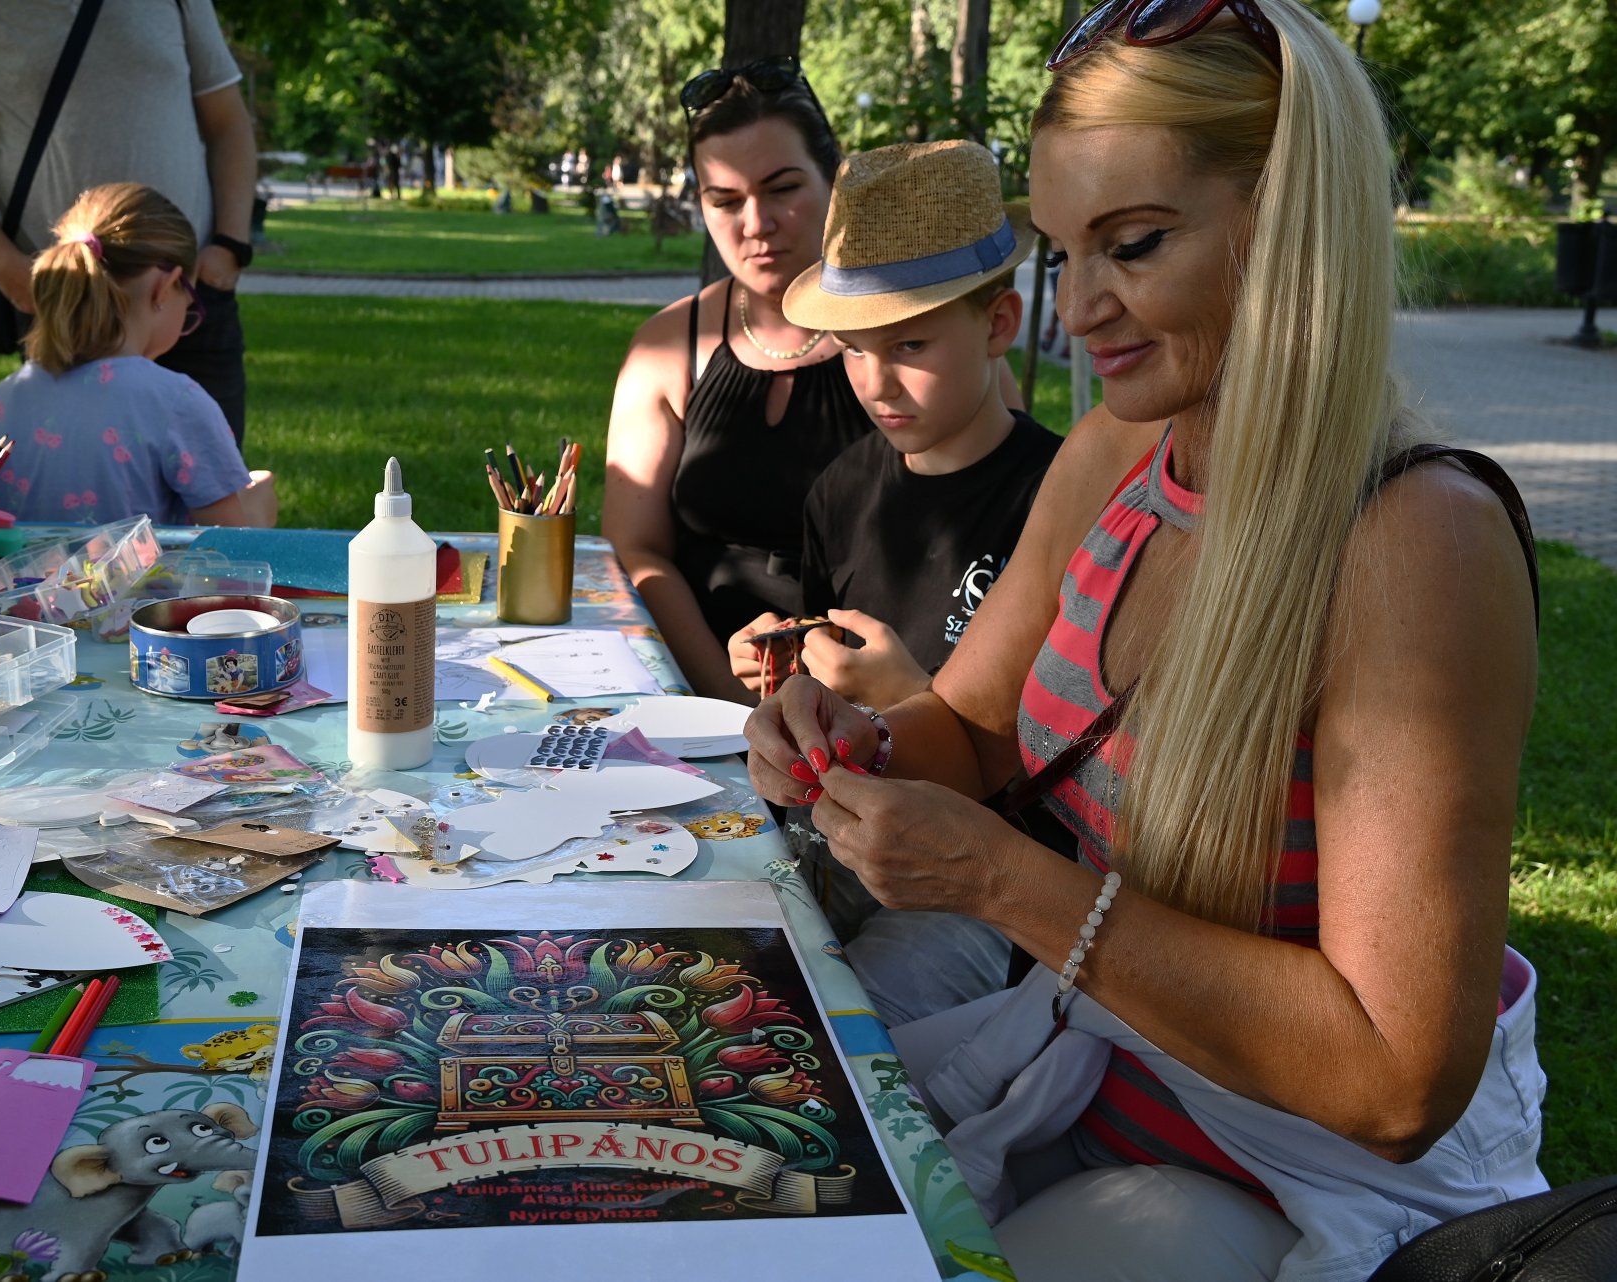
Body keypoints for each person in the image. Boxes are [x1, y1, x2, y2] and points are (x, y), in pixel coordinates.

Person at [744, 3, 1546, 1279]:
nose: (1086, 309)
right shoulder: (1131, 442)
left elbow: (1397, 1080)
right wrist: (860, 739)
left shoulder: (1415, 543)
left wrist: (1003, 881)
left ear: (1290, 222)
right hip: (1081, 1096)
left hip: (1287, 1188)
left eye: (1136, 244)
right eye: (1066, 254)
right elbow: (980, 725)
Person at [603, 58, 1022, 703]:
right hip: (725, 681)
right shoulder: (669, 346)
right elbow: (637, 547)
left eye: (781, 189)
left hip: (888, 693)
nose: (755, 224)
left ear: (833, 182)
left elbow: (991, 518)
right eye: (724, 199)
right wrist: (721, 693)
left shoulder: (951, 362)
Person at [726, 141, 1064, 717]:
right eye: (853, 349)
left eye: (909, 344)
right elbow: (823, 683)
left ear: (998, 324)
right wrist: (787, 669)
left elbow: (1058, 739)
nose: (876, 384)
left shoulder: (1059, 502)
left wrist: (912, 703)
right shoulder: (839, 493)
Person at [0, 0, 258, 445]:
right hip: (64, 301)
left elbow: (228, 121)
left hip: (186, 298)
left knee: (211, 499)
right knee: (80, 496)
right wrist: (5, 268)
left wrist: (229, 247)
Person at [0, 183, 276, 529]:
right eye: (191, 297)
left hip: (21, 585)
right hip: (138, 586)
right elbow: (227, 550)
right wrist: (259, 507)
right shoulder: (177, 403)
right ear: (166, 287)